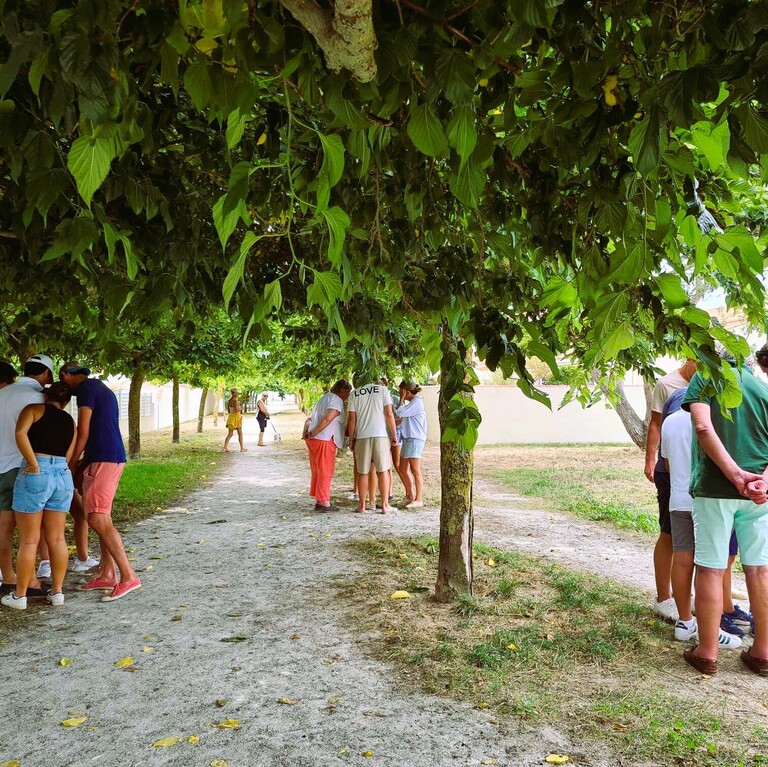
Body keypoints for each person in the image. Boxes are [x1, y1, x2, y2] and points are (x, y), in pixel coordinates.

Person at [681, 350, 768, 675]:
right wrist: (760, 482)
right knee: (760, 570)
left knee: (711, 569)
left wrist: (734, 476)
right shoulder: (762, 389)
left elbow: (702, 427)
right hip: (759, 495)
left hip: (715, 490)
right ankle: (762, 652)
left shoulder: (706, 376)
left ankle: (707, 653)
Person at [660, 387, 744, 650]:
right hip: (705, 499)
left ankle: (685, 622)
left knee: (682, 559)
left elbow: (668, 463)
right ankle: (712, 628)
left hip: (678, 499)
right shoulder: (713, 419)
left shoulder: (670, 421)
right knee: (711, 566)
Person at [59, 362, 141, 602]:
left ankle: (128, 576)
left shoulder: (86, 389)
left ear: (66, 375)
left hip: (105, 458)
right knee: (100, 515)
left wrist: (71, 462)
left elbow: (83, 431)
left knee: (96, 517)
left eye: (62, 380)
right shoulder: (100, 388)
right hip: (104, 456)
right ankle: (107, 573)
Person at [1, 383, 76, 610]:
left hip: (36, 473)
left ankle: (20, 596)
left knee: (29, 540)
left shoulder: (33, 409)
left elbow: (20, 433)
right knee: (57, 539)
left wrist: (33, 462)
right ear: (66, 402)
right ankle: (57, 592)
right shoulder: (69, 421)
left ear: (45, 396)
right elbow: (69, 453)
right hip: (63, 474)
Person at [645, 359, 697, 620]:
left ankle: (688, 598)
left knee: (694, 540)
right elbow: (655, 424)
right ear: (689, 359)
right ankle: (663, 597)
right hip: (670, 470)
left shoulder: (711, 383)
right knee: (670, 533)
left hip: (697, 472)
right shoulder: (667, 384)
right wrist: (650, 461)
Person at [0, 354, 53, 596]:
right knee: (28, 531)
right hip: (20, 467)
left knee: (3, 529)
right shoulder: (38, 398)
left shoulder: (4, 393)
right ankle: (30, 581)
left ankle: (9, 577)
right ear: (46, 374)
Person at [346, 378, 398, 514]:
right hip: (380, 435)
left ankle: (362, 505)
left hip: (362, 436)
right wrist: (394, 434)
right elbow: (389, 413)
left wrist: (351, 439)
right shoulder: (383, 390)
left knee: (363, 472)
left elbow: (352, 419)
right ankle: (385, 505)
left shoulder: (354, 393)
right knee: (383, 470)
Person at [304, 380, 352, 511]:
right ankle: (324, 501)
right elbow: (328, 418)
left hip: (316, 439)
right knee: (326, 471)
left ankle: (320, 499)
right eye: (348, 393)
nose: (348, 396)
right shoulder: (336, 400)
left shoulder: (324, 397)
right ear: (343, 391)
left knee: (318, 470)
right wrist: (314, 432)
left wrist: (311, 433)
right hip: (324, 438)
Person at [395, 382, 427, 508]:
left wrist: (401, 399)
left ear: (406, 392)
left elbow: (400, 413)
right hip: (408, 438)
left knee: (415, 469)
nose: (399, 394)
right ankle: (409, 496)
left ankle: (418, 499)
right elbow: (402, 418)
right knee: (402, 468)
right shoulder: (412, 404)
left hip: (415, 438)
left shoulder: (417, 403)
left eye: (401, 392)